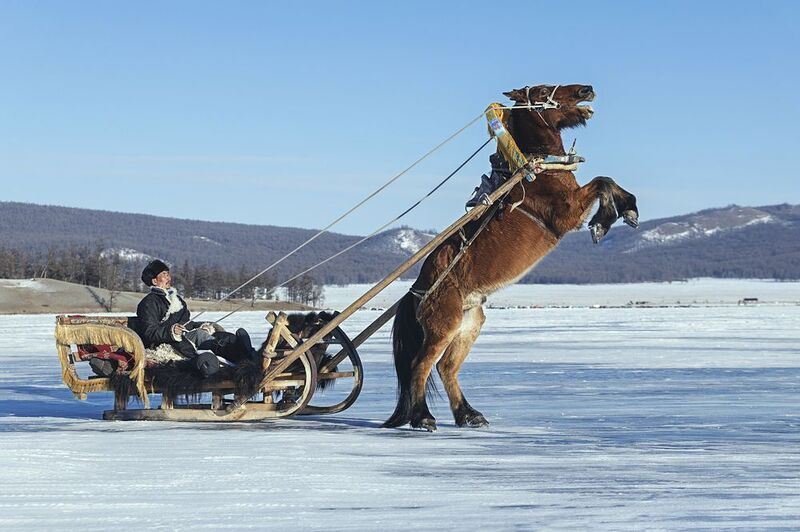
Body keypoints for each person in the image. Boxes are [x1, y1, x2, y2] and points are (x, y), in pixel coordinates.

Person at [135, 259, 260, 377]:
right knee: (203, 337)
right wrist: (171, 331)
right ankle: (242, 355)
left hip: (183, 338)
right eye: (164, 274)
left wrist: (201, 326)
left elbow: (186, 324)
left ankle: (242, 347)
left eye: (168, 274)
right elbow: (149, 331)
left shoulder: (176, 300)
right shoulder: (149, 303)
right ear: (154, 281)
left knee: (218, 335)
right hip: (167, 343)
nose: (168, 278)